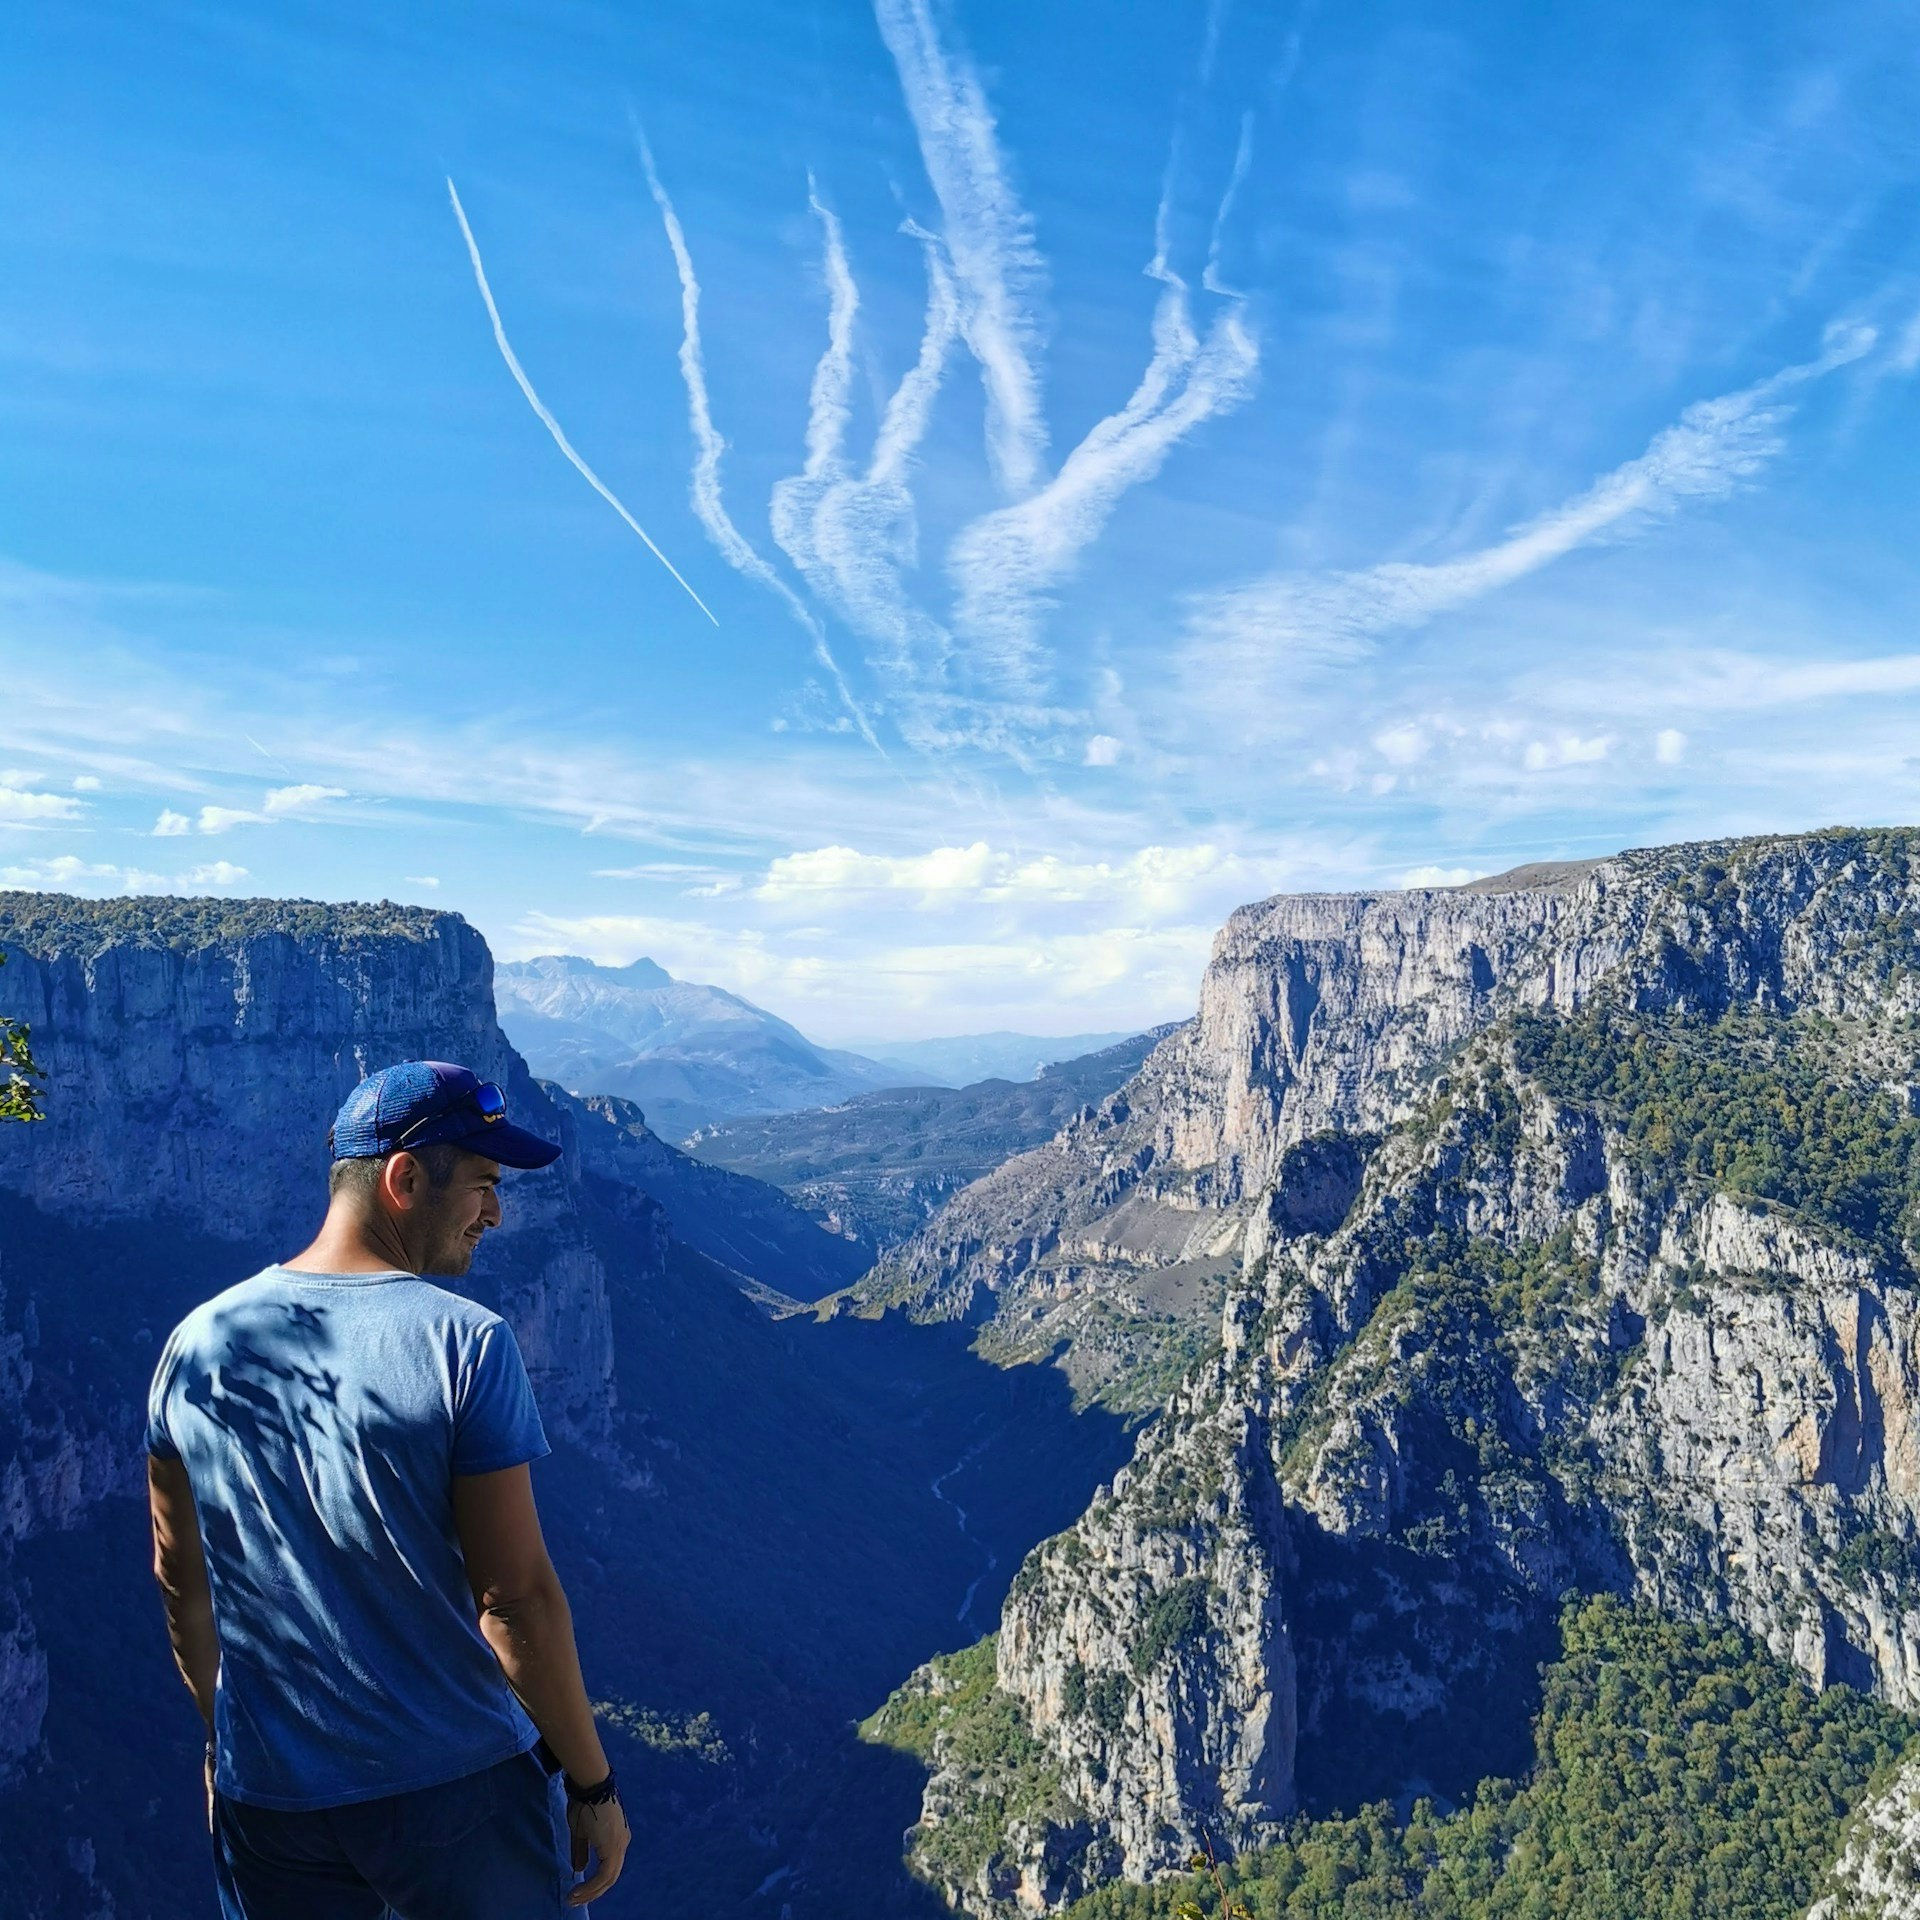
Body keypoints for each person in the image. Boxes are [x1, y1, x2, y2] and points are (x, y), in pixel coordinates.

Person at [145, 1060, 630, 1917]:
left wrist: (227, 1744)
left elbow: (182, 1582)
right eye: (482, 1184)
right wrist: (593, 1786)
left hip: (272, 1807)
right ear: (405, 1179)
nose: (496, 1212)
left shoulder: (195, 1346)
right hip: (457, 1798)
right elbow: (513, 1599)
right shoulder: (465, 1344)